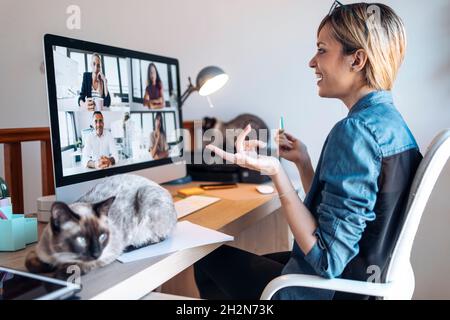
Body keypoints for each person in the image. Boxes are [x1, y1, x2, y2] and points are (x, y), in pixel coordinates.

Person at [195, 2, 423, 300]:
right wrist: (302, 163)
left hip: (328, 290)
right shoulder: (392, 124)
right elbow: (341, 217)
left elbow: (326, 259)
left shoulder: (354, 131)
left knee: (204, 261)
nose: (312, 62)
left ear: (357, 60)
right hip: (361, 282)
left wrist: (277, 172)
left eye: (322, 50)